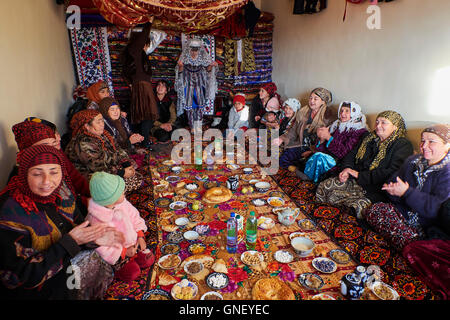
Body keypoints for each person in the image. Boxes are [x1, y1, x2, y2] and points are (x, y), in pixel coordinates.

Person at [0, 145, 124, 299]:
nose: (47, 181)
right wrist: (70, 243)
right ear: (24, 174)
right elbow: (17, 278)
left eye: (54, 172)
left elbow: (77, 229)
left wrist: (94, 238)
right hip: (38, 288)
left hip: (65, 264)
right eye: (37, 174)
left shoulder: (62, 191)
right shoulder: (10, 214)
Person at [364, 124, 450, 250]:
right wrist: (392, 190)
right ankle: (399, 243)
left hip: (424, 225)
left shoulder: (447, 173)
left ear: (447, 145)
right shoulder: (413, 161)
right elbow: (394, 181)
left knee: (415, 245)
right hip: (400, 213)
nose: (424, 146)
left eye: (431, 142)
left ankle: (411, 246)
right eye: (423, 141)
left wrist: (406, 192)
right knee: (374, 210)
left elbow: (435, 210)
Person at [315, 110, 414, 219]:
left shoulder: (402, 145)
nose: (378, 125)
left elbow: (392, 172)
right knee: (324, 186)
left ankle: (336, 223)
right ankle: (319, 217)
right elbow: (351, 155)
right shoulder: (369, 137)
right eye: (377, 122)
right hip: (355, 180)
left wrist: (359, 175)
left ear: (395, 127)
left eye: (383, 122)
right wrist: (346, 169)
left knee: (353, 206)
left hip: (376, 188)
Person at [87, 171, 155, 282]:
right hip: (118, 254)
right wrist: (123, 252)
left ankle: (134, 258)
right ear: (110, 199)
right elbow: (102, 247)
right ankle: (116, 272)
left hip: (133, 244)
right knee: (133, 273)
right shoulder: (97, 220)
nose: (124, 192)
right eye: (121, 192)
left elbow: (134, 217)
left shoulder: (122, 203)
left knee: (149, 260)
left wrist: (140, 236)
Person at [9, 120, 90, 201]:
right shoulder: (20, 183)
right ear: (28, 150)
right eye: (37, 174)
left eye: (54, 143)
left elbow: (75, 181)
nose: (52, 150)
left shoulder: (57, 156)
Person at [65, 109, 143, 193]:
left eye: (102, 120)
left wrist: (126, 164)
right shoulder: (83, 143)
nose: (102, 124)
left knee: (134, 173)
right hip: (89, 174)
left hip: (106, 166)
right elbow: (98, 168)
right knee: (120, 186)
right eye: (98, 122)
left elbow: (117, 149)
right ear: (87, 126)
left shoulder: (103, 134)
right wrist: (122, 172)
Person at [301, 101, 368, 182]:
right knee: (313, 154)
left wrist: (328, 137)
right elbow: (323, 148)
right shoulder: (338, 125)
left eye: (347, 111)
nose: (343, 114)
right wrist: (322, 139)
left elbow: (344, 153)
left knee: (319, 157)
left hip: (341, 162)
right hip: (330, 157)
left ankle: (309, 178)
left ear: (354, 113)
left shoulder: (358, 131)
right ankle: (307, 174)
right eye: (341, 110)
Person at [273, 87, 336, 169]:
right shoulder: (304, 112)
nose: (311, 101)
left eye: (315, 99)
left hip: (315, 150)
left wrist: (312, 152)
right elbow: (293, 131)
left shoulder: (328, 117)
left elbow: (326, 142)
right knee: (283, 159)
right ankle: (295, 169)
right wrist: (282, 138)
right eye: (310, 98)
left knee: (306, 165)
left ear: (323, 102)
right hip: (301, 145)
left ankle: (298, 169)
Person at [121, 21, 158, 149]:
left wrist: (131, 84)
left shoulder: (136, 54)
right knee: (147, 115)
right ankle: (144, 141)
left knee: (144, 115)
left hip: (141, 86)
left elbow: (125, 73)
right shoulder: (135, 49)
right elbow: (142, 38)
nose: (147, 47)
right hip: (142, 87)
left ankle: (143, 140)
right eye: (147, 44)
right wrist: (149, 23)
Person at [175, 38, 218, 129]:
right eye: (192, 50)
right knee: (189, 107)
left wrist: (211, 65)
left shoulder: (202, 59)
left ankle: (198, 125)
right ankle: (191, 126)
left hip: (199, 85)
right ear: (189, 49)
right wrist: (181, 66)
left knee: (199, 106)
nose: (194, 52)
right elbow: (180, 74)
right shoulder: (185, 59)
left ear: (199, 50)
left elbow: (208, 72)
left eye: (196, 50)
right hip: (188, 84)